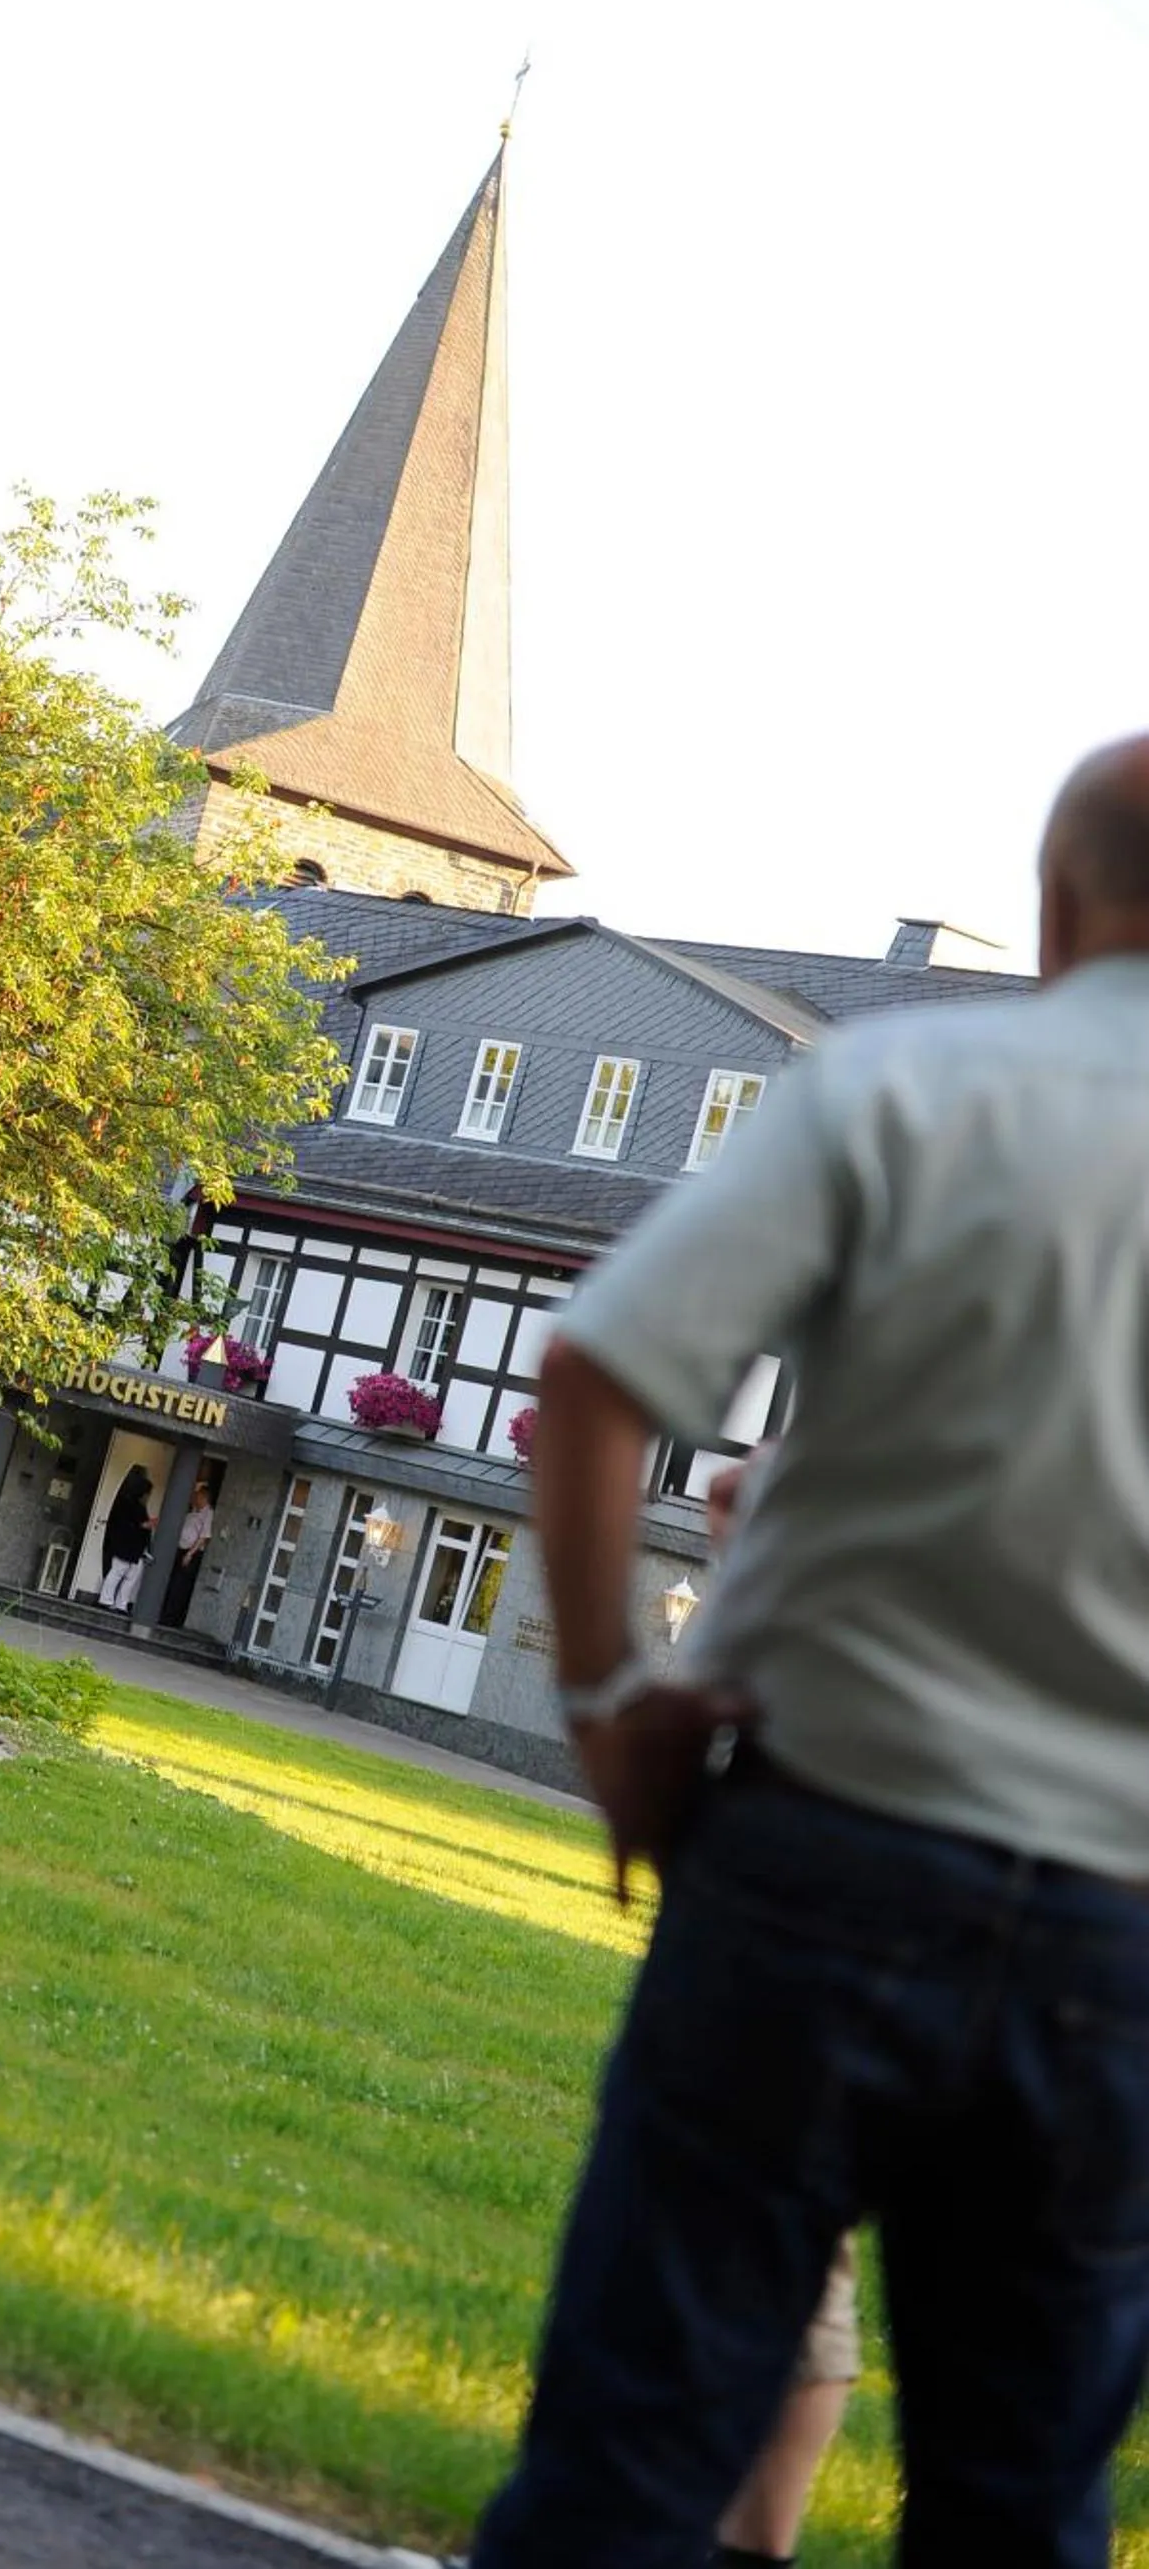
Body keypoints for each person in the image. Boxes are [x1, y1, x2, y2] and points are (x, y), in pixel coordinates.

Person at [468, 736, 1149, 2569]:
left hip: (818, 1854)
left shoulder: (903, 1084)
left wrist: (609, 1701)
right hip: (1118, 1931)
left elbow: (595, 1375)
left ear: (1053, 906)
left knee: (628, 2461)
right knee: (1022, 2507)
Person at [703, 1456, 860, 2569]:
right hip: (1090, 1888)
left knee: (754, 2209)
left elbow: (733, 1488)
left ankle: (739, 2544)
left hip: (852, 1821)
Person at [159, 1474, 215, 1628]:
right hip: (180, 1549)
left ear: (204, 1497)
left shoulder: (208, 1513)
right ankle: (164, 1613)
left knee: (180, 1586)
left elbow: (204, 1536)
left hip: (190, 1553)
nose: (195, 1498)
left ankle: (171, 1618)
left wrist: (190, 1554)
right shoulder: (193, 1511)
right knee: (172, 1582)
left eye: (198, 1496)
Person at [98, 1466, 155, 1612]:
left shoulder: (132, 1504)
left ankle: (118, 1603)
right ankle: (109, 1600)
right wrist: (146, 1525)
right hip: (127, 1547)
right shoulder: (132, 1506)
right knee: (119, 1572)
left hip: (133, 1549)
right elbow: (135, 1525)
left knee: (128, 1576)